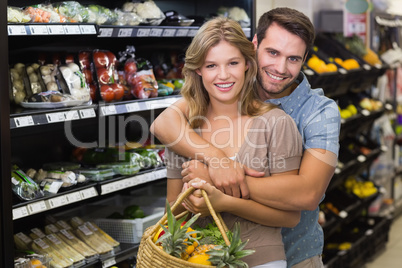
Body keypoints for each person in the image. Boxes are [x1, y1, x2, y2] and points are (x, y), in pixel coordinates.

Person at [151, 8, 341, 268]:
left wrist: (217, 181)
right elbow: (165, 123)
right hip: (212, 257)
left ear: (305, 59)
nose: (280, 68)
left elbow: (308, 193)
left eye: (293, 59)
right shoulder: (227, 82)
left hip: (296, 254)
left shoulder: (319, 111)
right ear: (254, 47)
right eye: (272, 52)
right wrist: (217, 160)